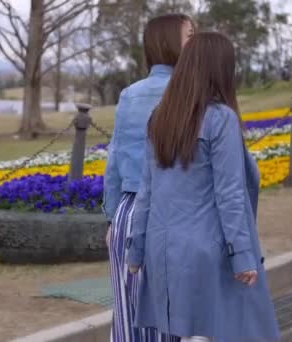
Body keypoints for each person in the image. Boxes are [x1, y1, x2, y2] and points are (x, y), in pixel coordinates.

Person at [126, 32, 280, 342]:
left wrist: (136, 251)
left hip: (162, 248)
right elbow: (230, 194)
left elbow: (146, 191)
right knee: (218, 332)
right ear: (221, 70)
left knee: (187, 333)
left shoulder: (159, 119)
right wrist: (242, 255)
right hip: (208, 249)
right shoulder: (220, 119)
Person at [103, 13, 195, 342]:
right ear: (171, 43)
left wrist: (112, 217)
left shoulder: (130, 94)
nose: (195, 42)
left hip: (127, 216)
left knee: (129, 318)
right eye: (189, 35)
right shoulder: (194, 94)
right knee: (174, 321)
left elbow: (113, 161)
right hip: (177, 217)